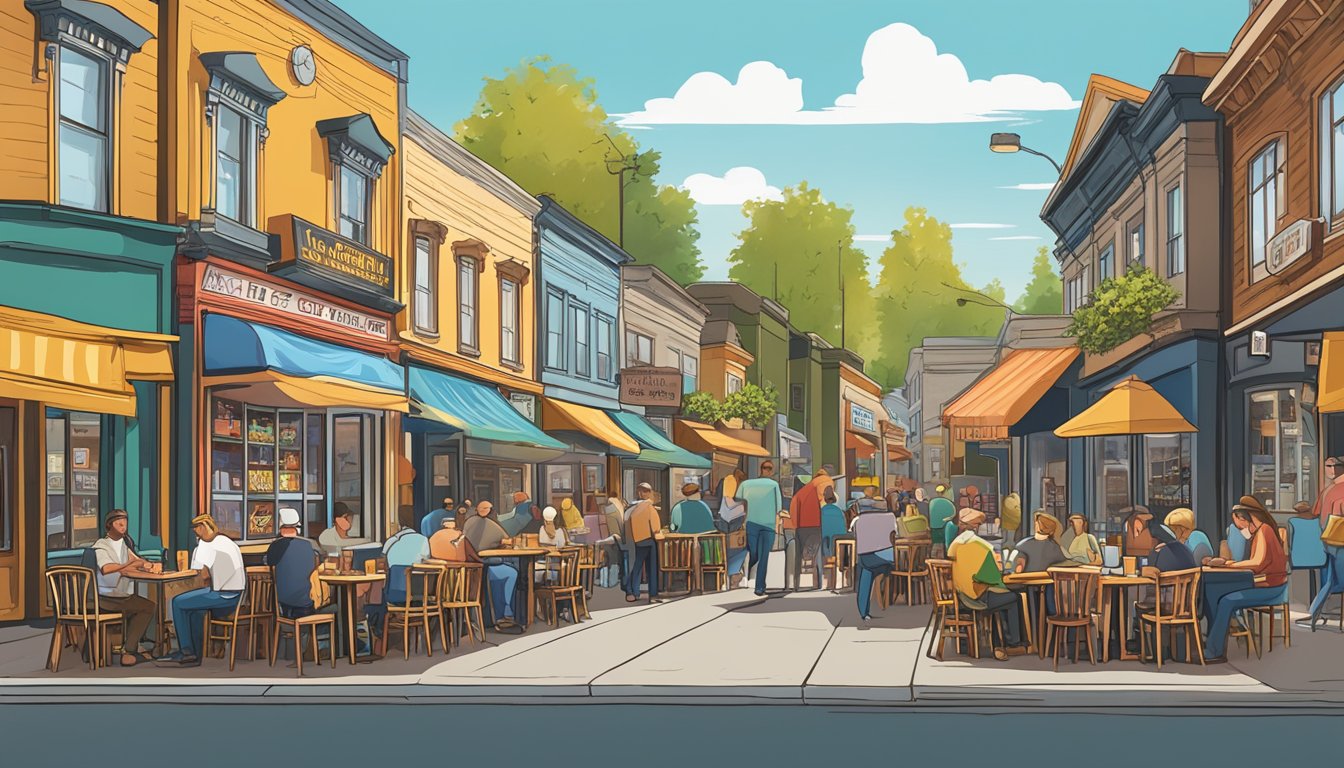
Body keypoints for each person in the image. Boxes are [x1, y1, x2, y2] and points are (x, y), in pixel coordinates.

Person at [1202, 496, 1289, 662]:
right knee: (1213, 592)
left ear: (1244, 517)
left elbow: (1257, 563)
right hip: (1263, 583)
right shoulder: (1260, 532)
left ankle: (1215, 651)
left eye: (1237, 524)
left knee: (1227, 600)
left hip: (1271, 587)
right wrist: (1232, 564)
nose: (1239, 528)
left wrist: (1228, 564)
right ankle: (1215, 641)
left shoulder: (1264, 530)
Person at [156, 513, 245, 666]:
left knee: (177, 602)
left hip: (222, 596)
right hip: (237, 596)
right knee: (195, 608)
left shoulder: (206, 545)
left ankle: (186, 651)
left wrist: (179, 573)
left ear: (202, 527)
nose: (195, 533)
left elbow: (201, 575)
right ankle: (193, 655)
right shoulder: (227, 541)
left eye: (195, 529)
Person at [947, 508, 1023, 660]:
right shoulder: (982, 547)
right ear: (976, 526)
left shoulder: (954, 546)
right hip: (976, 597)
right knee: (1013, 598)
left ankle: (999, 644)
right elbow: (992, 578)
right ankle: (1013, 642)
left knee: (1000, 599)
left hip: (960, 594)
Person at [92, 509, 156, 666]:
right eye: (118, 522)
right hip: (105, 597)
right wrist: (126, 565)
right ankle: (129, 651)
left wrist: (145, 564)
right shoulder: (101, 546)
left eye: (125, 522)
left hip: (118, 595)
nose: (123, 525)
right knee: (148, 607)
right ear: (109, 525)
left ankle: (135, 646)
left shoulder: (123, 544)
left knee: (139, 604)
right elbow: (106, 568)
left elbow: (136, 560)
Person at [463, 500, 523, 633]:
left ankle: (503, 614)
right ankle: (506, 614)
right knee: (511, 572)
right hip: (483, 565)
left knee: (508, 570)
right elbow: (506, 539)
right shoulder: (492, 525)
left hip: (471, 567)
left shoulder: (469, 523)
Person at [265, 508, 323, 618]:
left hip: (285, 604)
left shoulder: (276, 546)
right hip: (309, 603)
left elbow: (268, 562)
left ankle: (283, 631)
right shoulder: (311, 544)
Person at [737, 461, 784, 597]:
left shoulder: (746, 485)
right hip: (768, 525)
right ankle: (759, 586)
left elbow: (738, 503)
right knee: (763, 556)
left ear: (761, 469)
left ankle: (756, 583)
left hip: (751, 523)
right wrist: (778, 525)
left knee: (754, 552)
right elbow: (779, 508)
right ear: (770, 471)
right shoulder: (774, 485)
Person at [853, 492, 898, 621]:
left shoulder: (858, 521)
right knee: (868, 562)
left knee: (864, 566)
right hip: (889, 559)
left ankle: (864, 611)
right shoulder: (891, 517)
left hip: (868, 560)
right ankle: (883, 597)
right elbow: (895, 535)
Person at [789, 468, 832, 591]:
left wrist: (795, 524)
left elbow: (794, 505)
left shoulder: (803, 490)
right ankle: (818, 583)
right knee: (817, 554)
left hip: (800, 525)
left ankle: (796, 584)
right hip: (815, 523)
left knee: (798, 556)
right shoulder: (826, 481)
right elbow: (825, 501)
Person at [624, 483, 664, 603]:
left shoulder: (634, 508)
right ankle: (653, 594)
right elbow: (655, 528)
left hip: (636, 541)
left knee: (637, 566)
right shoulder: (649, 508)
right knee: (652, 568)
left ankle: (633, 592)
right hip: (649, 540)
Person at [820, 489, 848, 586]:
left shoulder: (821, 511)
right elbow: (844, 529)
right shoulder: (840, 512)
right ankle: (839, 580)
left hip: (825, 547)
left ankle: (824, 581)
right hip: (838, 547)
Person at [600, 492, 628, 588]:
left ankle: (612, 580)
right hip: (620, 537)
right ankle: (617, 579)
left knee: (612, 558)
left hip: (612, 537)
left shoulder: (609, 509)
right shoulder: (618, 506)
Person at [1313, 456, 1344, 528]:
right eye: (1328, 466)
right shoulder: (1327, 489)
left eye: (1337, 465)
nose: (1333, 469)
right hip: (1327, 532)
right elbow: (1316, 512)